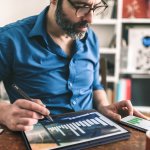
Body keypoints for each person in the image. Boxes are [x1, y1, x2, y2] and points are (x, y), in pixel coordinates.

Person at [0, 0, 148, 131]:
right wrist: (5, 112)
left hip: (92, 130)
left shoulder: (91, 38)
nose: (90, 19)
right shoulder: (9, 40)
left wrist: (103, 106)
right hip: (41, 136)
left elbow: (95, 84)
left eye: (95, 7)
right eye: (81, 7)